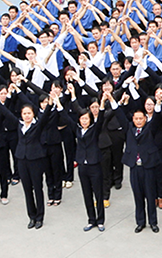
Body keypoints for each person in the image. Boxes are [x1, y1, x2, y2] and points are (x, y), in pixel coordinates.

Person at [0, 88, 61, 229]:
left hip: (36, 159)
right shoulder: (19, 124)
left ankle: (40, 217)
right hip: (22, 159)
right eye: (24, 113)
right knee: (27, 189)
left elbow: (46, 115)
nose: (26, 116)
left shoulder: (37, 125)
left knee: (37, 188)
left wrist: (51, 102)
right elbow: (6, 112)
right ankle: (31, 216)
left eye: (29, 113)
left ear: (33, 114)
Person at [61, 86, 111, 232]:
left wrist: (102, 103)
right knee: (86, 194)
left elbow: (101, 118)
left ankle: (100, 220)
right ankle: (91, 220)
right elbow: (65, 115)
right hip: (82, 165)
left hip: (95, 165)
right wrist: (68, 96)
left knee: (98, 194)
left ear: (90, 120)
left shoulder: (95, 129)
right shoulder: (77, 129)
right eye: (82, 119)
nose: (84, 121)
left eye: (86, 119)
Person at [114, 92, 162, 234]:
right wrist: (113, 100)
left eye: (141, 118)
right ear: (133, 119)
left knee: (150, 195)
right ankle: (140, 222)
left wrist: (158, 103)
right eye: (136, 118)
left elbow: (157, 119)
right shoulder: (129, 128)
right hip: (135, 167)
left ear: (145, 119)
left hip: (148, 166)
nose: (139, 121)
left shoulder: (150, 128)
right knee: (138, 196)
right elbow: (119, 115)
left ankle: (153, 222)